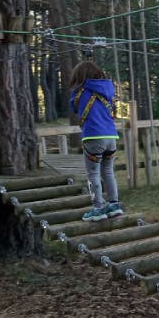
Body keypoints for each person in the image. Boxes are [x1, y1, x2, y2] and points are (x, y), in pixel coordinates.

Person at [68, 61, 124, 222]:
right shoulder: (108, 90)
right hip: (111, 137)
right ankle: (114, 205)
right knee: (108, 171)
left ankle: (98, 208)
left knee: (93, 173)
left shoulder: (80, 92)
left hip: (93, 137)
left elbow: (73, 107)